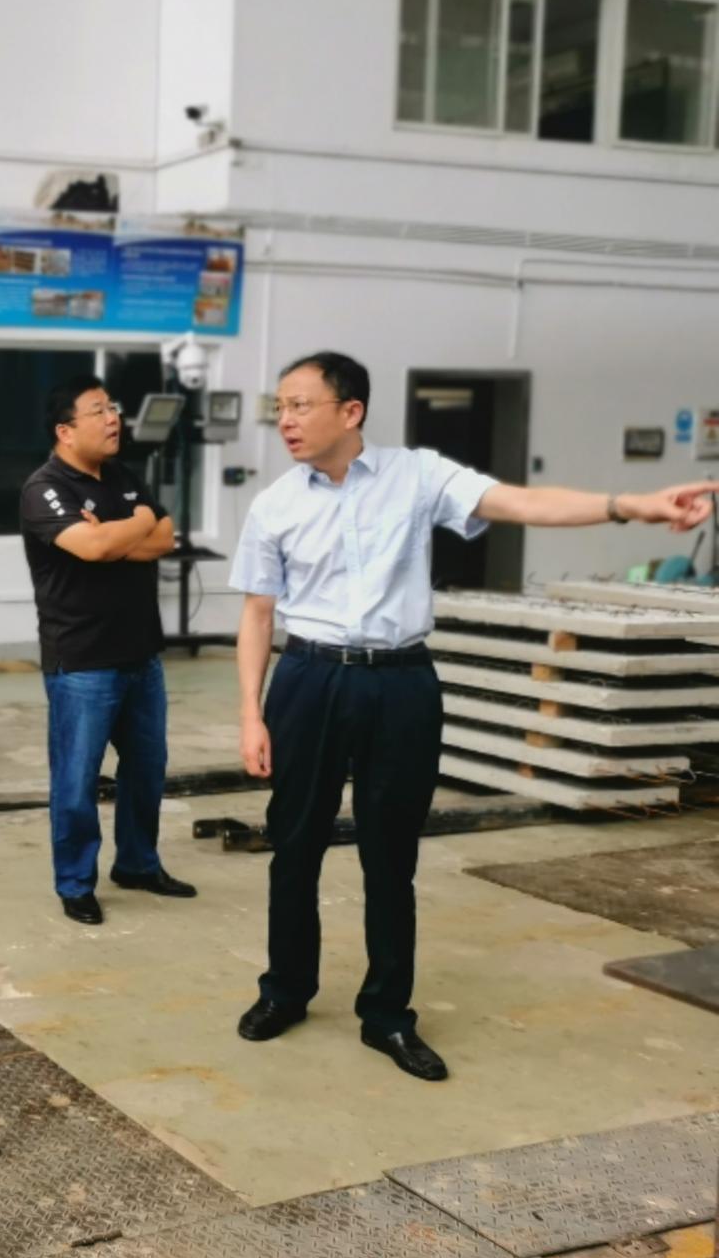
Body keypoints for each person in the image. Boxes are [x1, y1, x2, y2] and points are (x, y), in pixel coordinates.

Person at [230, 350, 718, 1081]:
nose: (286, 421)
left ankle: (387, 1016)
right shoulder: (275, 504)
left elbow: (521, 502)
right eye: (281, 408)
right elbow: (256, 614)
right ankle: (285, 991)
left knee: (391, 857)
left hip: (401, 684)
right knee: (295, 846)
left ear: (350, 411)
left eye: (300, 405)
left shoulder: (418, 476)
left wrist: (630, 505)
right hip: (308, 679)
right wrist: (250, 713)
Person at [20, 377, 196, 926]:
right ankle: (75, 883)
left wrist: (117, 536)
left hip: (141, 655)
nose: (113, 418)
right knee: (76, 780)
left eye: (113, 408)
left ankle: (138, 864)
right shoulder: (45, 488)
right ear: (66, 431)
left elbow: (164, 539)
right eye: (98, 411)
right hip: (82, 661)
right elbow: (94, 546)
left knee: (147, 770)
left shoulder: (122, 476)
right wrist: (135, 525)